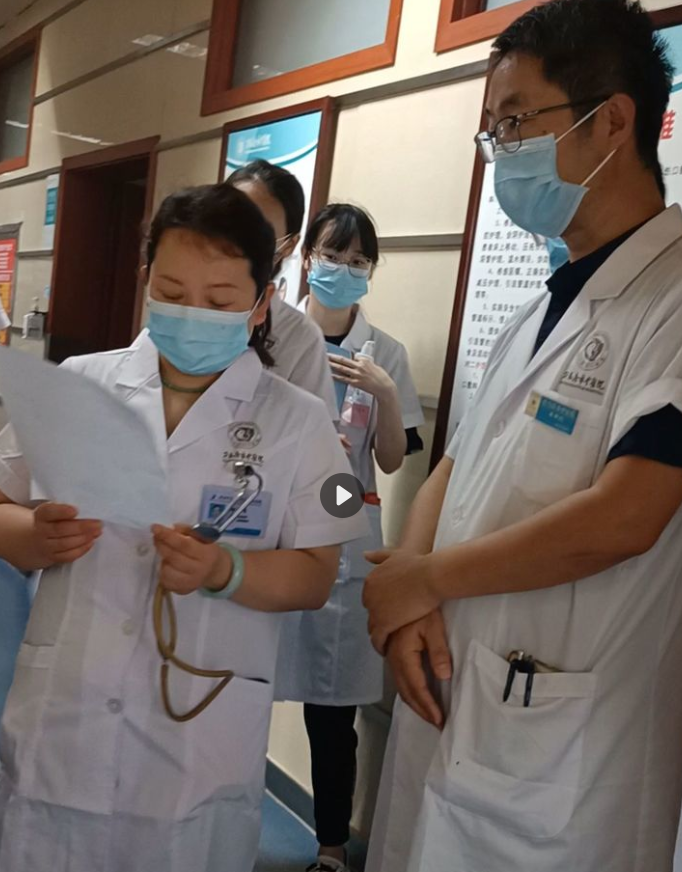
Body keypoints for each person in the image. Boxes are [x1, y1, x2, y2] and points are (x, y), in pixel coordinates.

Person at [363, 1, 682, 870]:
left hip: (563, 748)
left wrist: (425, 579)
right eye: (493, 130)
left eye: (515, 121)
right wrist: (410, 587)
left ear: (611, 121)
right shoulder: (545, 303)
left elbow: (627, 516)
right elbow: (455, 467)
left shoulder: (671, 297)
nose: (500, 149)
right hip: (461, 693)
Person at [0, 184, 367, 872]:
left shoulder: (298, 420)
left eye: (220, 301)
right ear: (146, 282)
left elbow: (317, 575)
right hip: (63, 729)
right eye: (172, 292)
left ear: (261, 303)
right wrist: (27, 536)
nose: (193, 313)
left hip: (199, 743)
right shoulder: (79, 385)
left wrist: (228, 571)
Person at [276, 203, 424, 872]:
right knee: (235, 684)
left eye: (359, 261)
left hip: (342, 526)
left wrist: (385, 394)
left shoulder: (384, 352)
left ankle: (331, 849)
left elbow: (390, 460)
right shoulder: (272, 334)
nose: (343, 270)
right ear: (307, 258)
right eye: (333, 256)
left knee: (332, 712)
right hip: (270, 527)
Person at [228, 160, 338, 420]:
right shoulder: (181, 308)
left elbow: (313, 430)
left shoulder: (300, 337)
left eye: (258, 231)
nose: (237, 239)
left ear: (288, 245)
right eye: (229, 222)